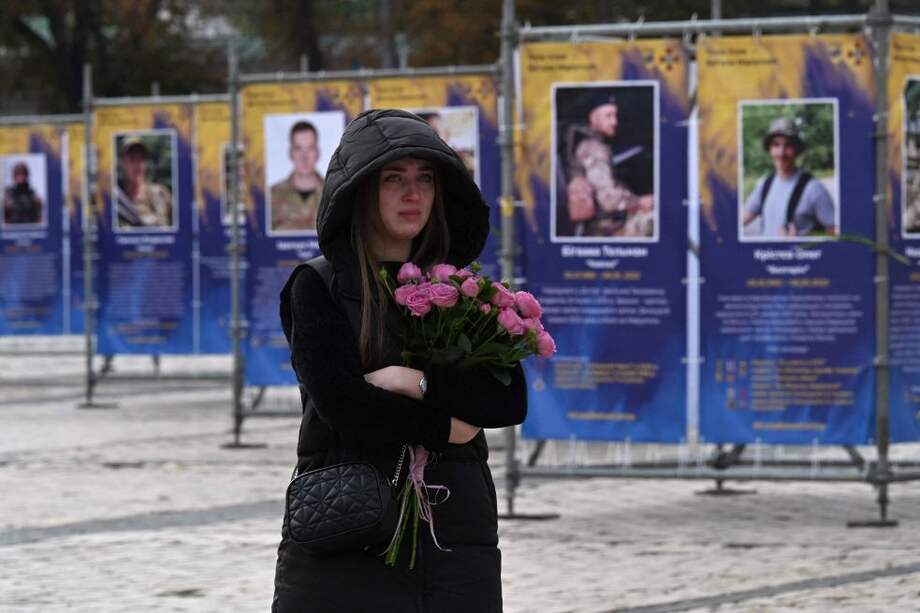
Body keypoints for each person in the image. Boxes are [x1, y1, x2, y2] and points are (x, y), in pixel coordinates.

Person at [272, 109, 527, 612]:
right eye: (394, 179)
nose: (413, 194)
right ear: (363, 190)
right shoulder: (319, 286)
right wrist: (447, 425)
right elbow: (344, 405)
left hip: (455, 535)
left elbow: (506, 399)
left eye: (425, 179)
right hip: (351, 530)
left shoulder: (460, 289)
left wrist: (416, 382)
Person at [562, 93, 654, 238]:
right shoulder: (593, 148)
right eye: (608, 116)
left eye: (615, 116)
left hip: (605, 222)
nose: (615, 122)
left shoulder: (588, 144)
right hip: (605, 228)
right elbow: (609, 199)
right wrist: (640, 201)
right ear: (593, 118)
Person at [742, 117, 837, 238]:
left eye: (788, 145)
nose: (781, 153)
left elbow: (836, 232)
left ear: (797, 150)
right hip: (766, 256)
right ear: (770, 150)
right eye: (776, 145)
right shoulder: (764, 183)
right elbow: (743, 218)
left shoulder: (814, 189)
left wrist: (802, 241)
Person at [270, 121, 324, 232]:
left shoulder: (334, 194)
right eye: (298, 148)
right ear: (290, 153)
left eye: (310, 148)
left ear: (317, 153)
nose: (304, 157)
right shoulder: (271, 195)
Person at [115, 136, 173, 228]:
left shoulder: (161, 194)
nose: (137, 165)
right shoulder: (114, 200)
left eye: (141, 159)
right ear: (122, 163)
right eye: (132, 159)